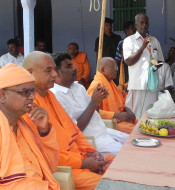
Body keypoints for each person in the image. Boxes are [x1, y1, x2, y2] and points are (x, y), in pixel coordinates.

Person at [23, 51, 113, 190]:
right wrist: (84, 162)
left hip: (81, 157)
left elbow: (74, 130)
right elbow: (46, 153)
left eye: (54, 69)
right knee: (114, 185)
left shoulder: (49, 95)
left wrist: (91, 152)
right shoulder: (29, 106)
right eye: (49, 70)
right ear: (30, 73)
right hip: (68, 168)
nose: (54, 74)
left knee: (123, 169)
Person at [0, 63, 60, 189]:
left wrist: (44, 130)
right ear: (3, 95)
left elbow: (50, 167)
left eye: (33, 91)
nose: (33, 97)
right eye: (25, 92)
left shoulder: (22, 126)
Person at [50, 53, 128, 156]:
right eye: (69, 66)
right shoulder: (55, 96)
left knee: (134, 142)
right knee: (130, 154)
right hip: (91, 140)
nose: (74, 68)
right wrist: (94, 102)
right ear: (57, 72)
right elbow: (75, 129)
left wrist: (98, 100)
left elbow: (95, 113)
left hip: (103, 131)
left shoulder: (78, 87)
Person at [123, 13, 164, 118]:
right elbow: (129, 62)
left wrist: (154, 65)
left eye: (146, 23)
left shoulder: (155, 41)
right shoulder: (129, 41)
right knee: (136, 115)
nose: (144, 25)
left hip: (151, 86)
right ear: (135, 25)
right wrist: (143, 47)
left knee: (151, 114)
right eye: (141, 23)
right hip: (137, 86)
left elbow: (160, 61)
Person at [87, 57, 137, 134]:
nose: (116, 69)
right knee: (138, 131)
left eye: (116, 67)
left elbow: (121, 103)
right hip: (110, 124)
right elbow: (91, 111)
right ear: (103, 70)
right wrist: (116, 115)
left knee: (143, 124)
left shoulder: (110, 82)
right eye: (113, 67)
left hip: (121, 120)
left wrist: (128, 110)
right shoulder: (97, 85)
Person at [114, 21, 136, 87]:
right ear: (126, 31)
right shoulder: (122, 43)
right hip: (125, 68)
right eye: (132, 28)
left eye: (135, 28)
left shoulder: (139, 41)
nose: (134, 30)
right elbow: (117, 59)